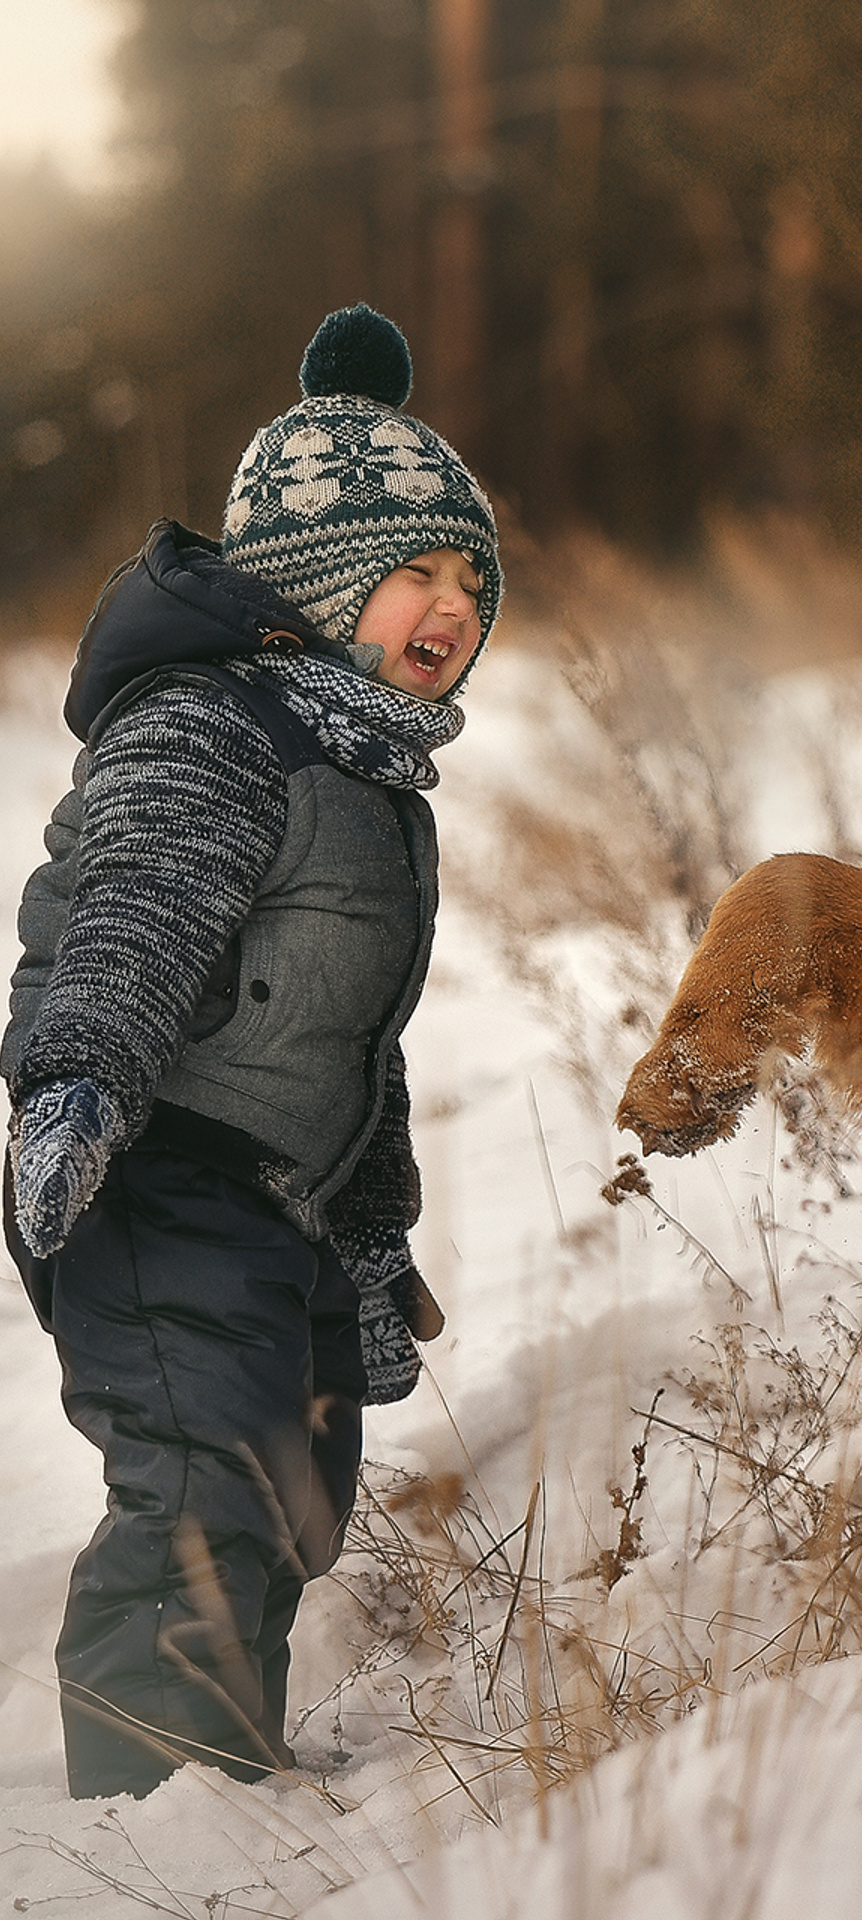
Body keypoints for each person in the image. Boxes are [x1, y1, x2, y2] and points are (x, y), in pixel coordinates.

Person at [1, 305, 502, 1799]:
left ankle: (220, 1766)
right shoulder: (213, 727)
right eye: (415, 569)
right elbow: (138, 909)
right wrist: (79, 1086)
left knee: (298, 1487)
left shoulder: (364, 771)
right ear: (318, 584)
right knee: (202, 1481)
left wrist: (367, 1226)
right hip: (152, 1168)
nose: (454, 602)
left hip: (271, 1198)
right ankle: (154, 1805)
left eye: (474, 577)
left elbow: (348, 1034)